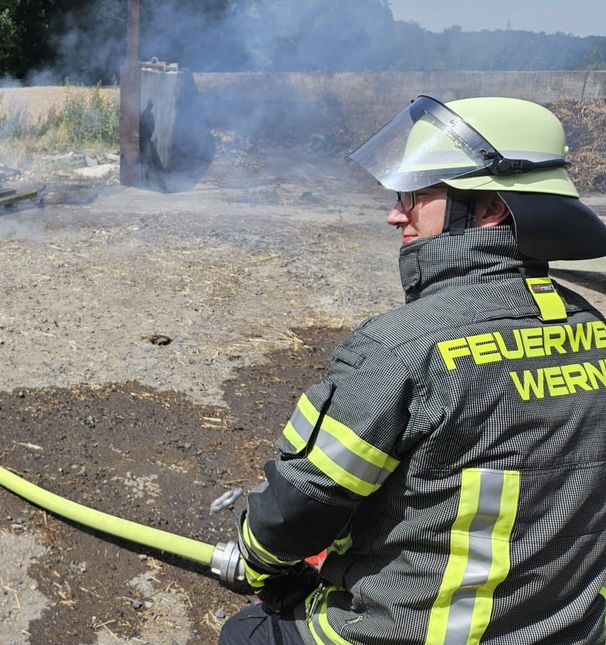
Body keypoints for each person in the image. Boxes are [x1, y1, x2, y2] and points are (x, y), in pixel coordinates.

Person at [218, 96, 606, 645]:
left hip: (412, 632)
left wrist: (257, 562)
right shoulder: (593, 327)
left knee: (246, 633)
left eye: (417, 195)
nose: (395, 214)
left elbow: (302, 504)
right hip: (573, 631)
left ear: (489, 208)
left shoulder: (402, 349)